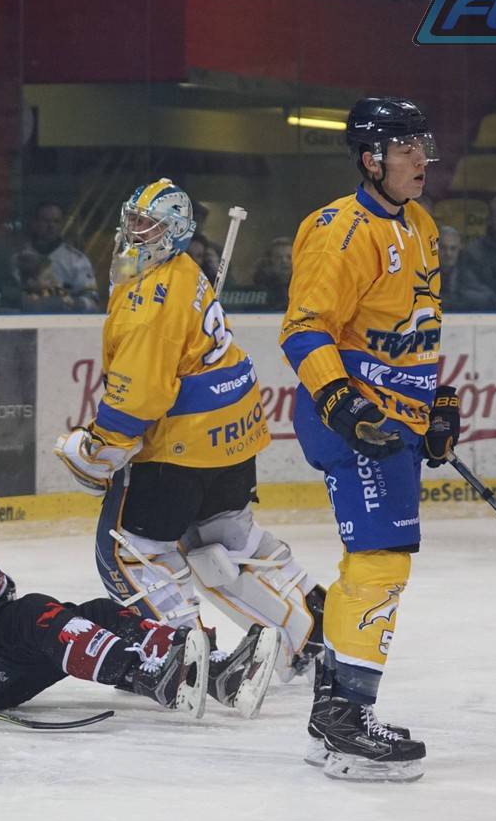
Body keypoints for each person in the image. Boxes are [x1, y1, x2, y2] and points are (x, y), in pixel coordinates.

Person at [53, 177, 326, 697]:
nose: (135, 232)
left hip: (179, 450)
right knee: (229, 544)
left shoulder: (147, 303)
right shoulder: (183, 270)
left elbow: (138, 397)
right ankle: (312, 629)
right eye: (133, 220)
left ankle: (188, 657)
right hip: (232, 437)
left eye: (149, 225)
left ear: (175, 233)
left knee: (133, 552)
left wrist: (97, 450)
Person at [280, 96, 460, 782]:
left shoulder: (420, 223)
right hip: (353, 420)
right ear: (371, 159)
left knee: (376, 562)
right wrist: (344, 403)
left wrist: (435, 403)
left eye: (423, 146)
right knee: (380, 559)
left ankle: (333, 718)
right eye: (405, 148)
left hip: (396, 419)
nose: (420, 159)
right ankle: (346, 721)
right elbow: (304, 330)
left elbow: (419, 324)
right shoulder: (339, 231)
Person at [0, 451, 278, 719]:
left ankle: (217, 673)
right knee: (31, 614)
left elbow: (0, 595)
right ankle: (150, 675)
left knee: (96, 612)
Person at [19, 200, 99, 312]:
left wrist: (68, 304)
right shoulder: (18, 257)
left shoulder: (77, 260)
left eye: (56, 221)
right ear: (35, 223)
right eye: (45, 221)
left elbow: (92, 301)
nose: (51, 225)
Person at [437, 224, 475, 311]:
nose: (448, 253)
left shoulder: (467, 272)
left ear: (458, 250)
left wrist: (463, 297)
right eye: (443, 248)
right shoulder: (425, 274)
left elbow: (486, 296)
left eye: (453, 248)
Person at [250, 236, 293, 311]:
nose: (284, 261)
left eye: (289, 257)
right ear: (269, 262)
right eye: (278, 257)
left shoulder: (307, 288)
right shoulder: (259, 290)